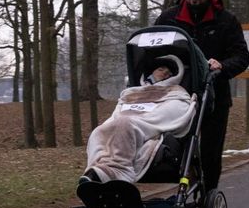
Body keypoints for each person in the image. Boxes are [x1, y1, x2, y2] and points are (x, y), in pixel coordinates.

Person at [155, 0, 249, 190]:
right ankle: (182, 192)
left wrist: (222, 66)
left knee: (210, 152)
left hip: (214, 98)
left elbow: (241, 56)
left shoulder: (226, 20)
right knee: (176, 149)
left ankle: (209, 196)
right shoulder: (168, 18)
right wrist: (159, 68)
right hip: (176, 97)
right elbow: (153, 51)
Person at [81, 55, 197, 184]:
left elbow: (170, 113)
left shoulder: (177, 94)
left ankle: (120, 171)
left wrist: (136, 121)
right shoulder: (132, 93)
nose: (165, 73)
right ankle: (98, 171)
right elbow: (118, 114)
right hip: (126, 125)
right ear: (151, 72)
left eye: (169, 73)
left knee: (124, 124)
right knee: (99, 132)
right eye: (161, 69)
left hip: (147, 129)